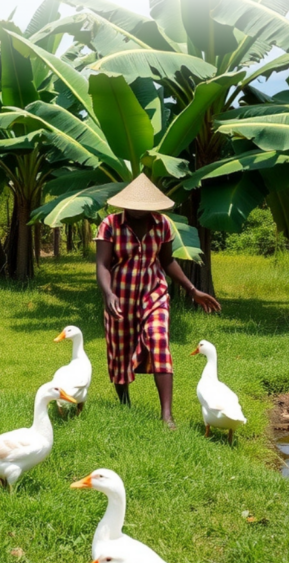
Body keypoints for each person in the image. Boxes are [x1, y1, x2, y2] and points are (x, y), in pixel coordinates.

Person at [95, 174, 221, 428]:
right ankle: (124, 403)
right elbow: (102, 265)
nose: (138, 210)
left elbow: (167, 261)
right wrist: (108, 294)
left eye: (144, 206)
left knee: (159, 341)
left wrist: (192, 290)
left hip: (154, 294)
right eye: (134, 205)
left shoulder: (162, 224)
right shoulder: (110, 225)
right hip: (119, 298)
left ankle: (167, 416)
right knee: (120, 351)